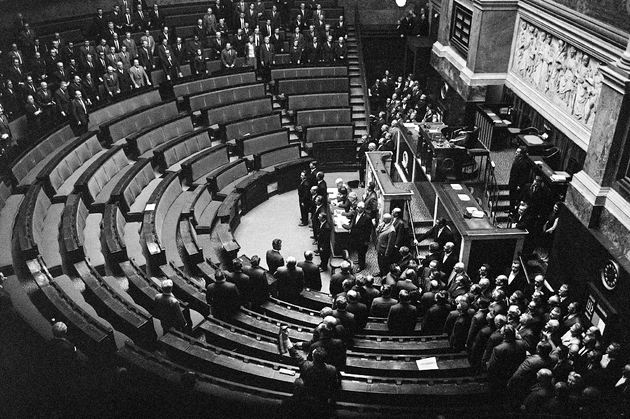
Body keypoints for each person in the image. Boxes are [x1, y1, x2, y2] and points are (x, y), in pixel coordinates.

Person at [284, 336, 340, 417]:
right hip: (321, 400)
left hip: (306, 397)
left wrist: (287, 341)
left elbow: (294, 354)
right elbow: (334, 385)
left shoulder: (306, 366)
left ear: (313, 357)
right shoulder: (332, 369)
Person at [487, 325, 528, 390]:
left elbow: (493, 366)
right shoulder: (522, 344)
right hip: (516, 373)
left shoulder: (498, 349)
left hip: (502, 376)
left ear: (504, 335)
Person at [342, 202, 372, 271]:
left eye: (359, 207)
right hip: (356, 236)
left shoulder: (367, 218)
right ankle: (359, 260)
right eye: (357, 207)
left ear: (363, 208)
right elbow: (354, 221)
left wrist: (366, 241)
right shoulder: (356, 212)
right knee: (358, 250)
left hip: (362, 238)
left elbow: (368, 231)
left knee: (362, 252)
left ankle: (361, 266)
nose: (357, 208)